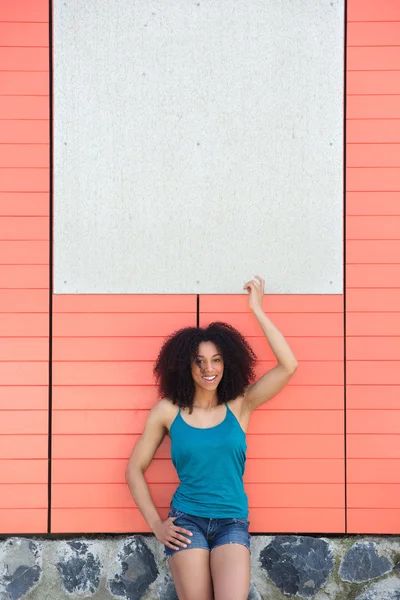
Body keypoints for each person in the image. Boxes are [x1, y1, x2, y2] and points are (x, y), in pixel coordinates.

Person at [125, 276, 298, 600]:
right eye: (200, 361)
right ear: (185, 365)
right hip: (186, 520)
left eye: (216, 359)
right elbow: (134, 468)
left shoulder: (241, 405)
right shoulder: (167, 411)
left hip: (231, 521)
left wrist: (256, 310)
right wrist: (156, 524)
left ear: (227, 363)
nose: (209, 368)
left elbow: (289, 366)